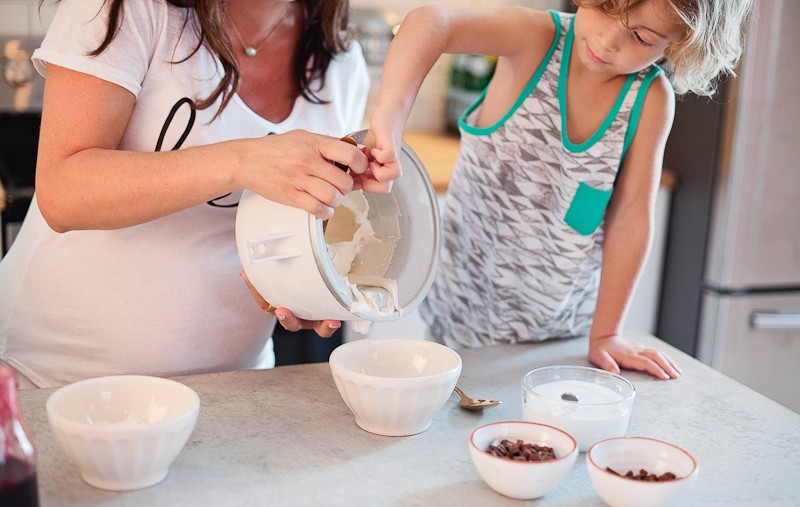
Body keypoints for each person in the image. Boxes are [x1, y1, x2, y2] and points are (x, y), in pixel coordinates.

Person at [0, 0, 394, 388]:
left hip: (235, 389)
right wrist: (243, 160)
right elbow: (62, 193)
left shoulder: (340, 62)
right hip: (52, 380)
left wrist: (301, 287)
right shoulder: (128, 9)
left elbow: (298, 227)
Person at [364, 0, 753, 380]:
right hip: (458, 321)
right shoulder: (533, 39)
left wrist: (607, 334)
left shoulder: (650, 99)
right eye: (606, 8)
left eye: (642, 37)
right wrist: (392, 114)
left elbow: (630, 219)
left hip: (562, 337)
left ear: (680, 44)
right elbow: (431, 22)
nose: (608, 41)